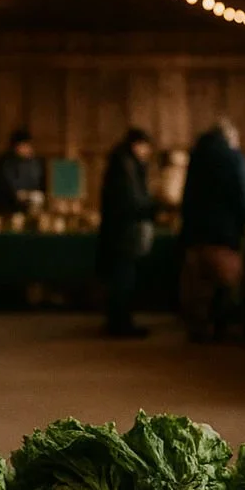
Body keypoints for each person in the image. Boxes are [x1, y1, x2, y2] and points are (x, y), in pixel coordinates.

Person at [180, 117, 245, 343]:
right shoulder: (234, 159)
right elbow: (243, 197)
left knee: (200, 290)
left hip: (195, 235)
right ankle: (223, 329)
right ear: (230, 137)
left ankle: (202, 331)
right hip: (224, 236)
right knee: (227, 286)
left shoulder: (196, 158)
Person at [96, 128, 158, 339]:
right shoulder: (126, 167)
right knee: (123, 279)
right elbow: (131, 201)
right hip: (123, 232)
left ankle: (120, 321)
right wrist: (152, 209)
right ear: (136, 145)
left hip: (120, 231)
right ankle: (121, 324)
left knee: (121, 278)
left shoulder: (123, 164)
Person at [0, 129, 44, 215]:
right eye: (24, 146)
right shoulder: (4, 163)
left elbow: (40, 185)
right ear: (16, 146)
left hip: (31, 208)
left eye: (28, 145)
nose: (27, 149)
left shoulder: (36, 163)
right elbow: (0, 189)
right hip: (7, 208)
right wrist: (17, 195)